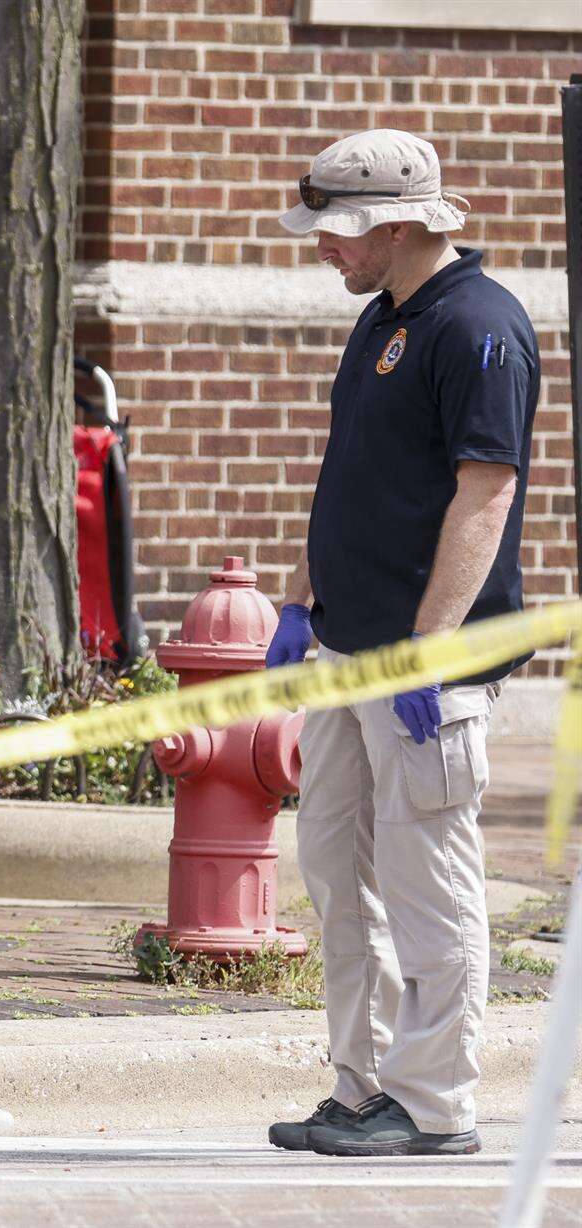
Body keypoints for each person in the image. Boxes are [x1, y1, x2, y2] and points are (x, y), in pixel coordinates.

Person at [264, 129, 537, 1158]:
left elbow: (487, 492)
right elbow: (349, 476)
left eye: (336, 235)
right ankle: (362, 1084)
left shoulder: (480, 328)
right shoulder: (381, 320)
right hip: (345, 652)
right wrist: (303, 601)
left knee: (430, 884)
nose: (322, 251)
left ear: (394, 225)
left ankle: (435, 1107)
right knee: (339, 873)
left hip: (427, 673)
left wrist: (430, 650)